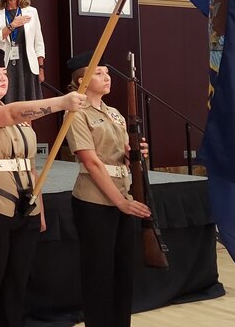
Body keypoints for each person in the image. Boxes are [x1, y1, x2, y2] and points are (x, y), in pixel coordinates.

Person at [0, 48, 87, 327]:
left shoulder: (17, 115)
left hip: (24, 207)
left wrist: (40, 207)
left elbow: (28, 162)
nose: (3, 78)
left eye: (4, 73)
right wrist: (63, 102)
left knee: (16, 287)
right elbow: (11, 114)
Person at [64, 52, 151, 327]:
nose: (107, 77)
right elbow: (91, 161)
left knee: (123, 273)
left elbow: (121, 156)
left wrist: (135, 153)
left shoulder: (114, 114)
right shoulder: (76, 113)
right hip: (95, 200)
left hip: (122, 193)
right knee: (98, 275)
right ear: (83, 80)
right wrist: (120, 203)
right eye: (99, 73)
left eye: (107, 72)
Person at [0, 0, 45, 104]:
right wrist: (12, 25)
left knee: (29, 107)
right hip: (6, 65)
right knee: (7, 104)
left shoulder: (31, 12)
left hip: (27, 65)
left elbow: (38, 42)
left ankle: (27, 126)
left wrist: (41, 68)